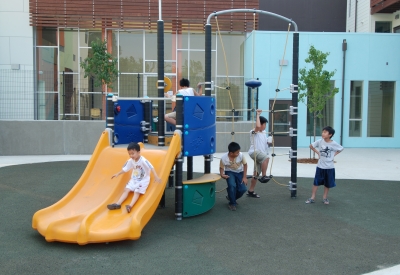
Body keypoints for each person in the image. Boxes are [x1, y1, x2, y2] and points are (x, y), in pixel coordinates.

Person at [107, 142, 161, 213]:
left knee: (136, 191)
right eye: (129, 154)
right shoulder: (131, 161)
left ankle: (130, 206)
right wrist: (118, 174)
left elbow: (151, 167)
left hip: (143, 180)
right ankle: (118, 204)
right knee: (126, 189)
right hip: (134, 179)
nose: (131, 155)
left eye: (133, 153)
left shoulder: (143, 160)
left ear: (138, 152)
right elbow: (125, 169)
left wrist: (156, 176)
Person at [305, 126, 343, 205]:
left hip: (330, 167)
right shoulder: (319, 141)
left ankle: (325, 198)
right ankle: (312, 197)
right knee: (316, 182)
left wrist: (333, 155)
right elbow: (311, 146)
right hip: (320, 166)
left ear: (330, 134)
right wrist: (317, 152)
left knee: (327, 183)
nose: (323, 133)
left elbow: (341, 148)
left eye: (325, 132)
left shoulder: (334, 143)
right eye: (323, 132)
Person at [247, 109, 271, 198]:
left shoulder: (264, 133)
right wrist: (257, 115)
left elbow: (264, 145)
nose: (265, 126)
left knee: (256, 173)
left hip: (260, 153)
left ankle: (251, 190)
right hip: (254, 152)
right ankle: (264, 176)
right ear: (260, 124)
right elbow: (257, 126)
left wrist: (268, 143)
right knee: (266, 158)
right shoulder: (253, 132)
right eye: (264, 124)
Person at [219, 142, 248, 211]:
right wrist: (222, 174)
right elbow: (221, 167)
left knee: (243, 189)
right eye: (237, 152)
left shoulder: (241, 155)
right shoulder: (224, 158)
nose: (239, 153)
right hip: (230, 172)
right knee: (232, 186)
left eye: (239, 151)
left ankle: (231, 196)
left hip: (240, 172)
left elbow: (245, 165)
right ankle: (232, 203)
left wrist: (244, 177)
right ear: (231, 153)